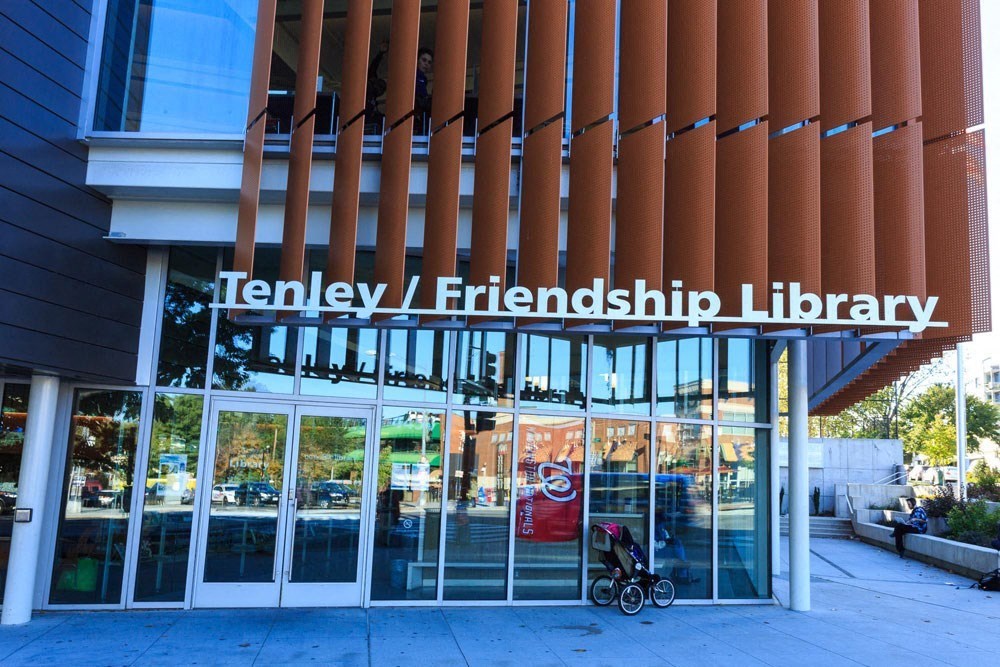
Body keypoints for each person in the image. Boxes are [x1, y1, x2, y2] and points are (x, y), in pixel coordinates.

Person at [415, 47, 433, 132]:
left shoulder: (424, 79)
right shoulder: (413, 75)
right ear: (417, 60)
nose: (426, 64)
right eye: (424, 60)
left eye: (429, 62)